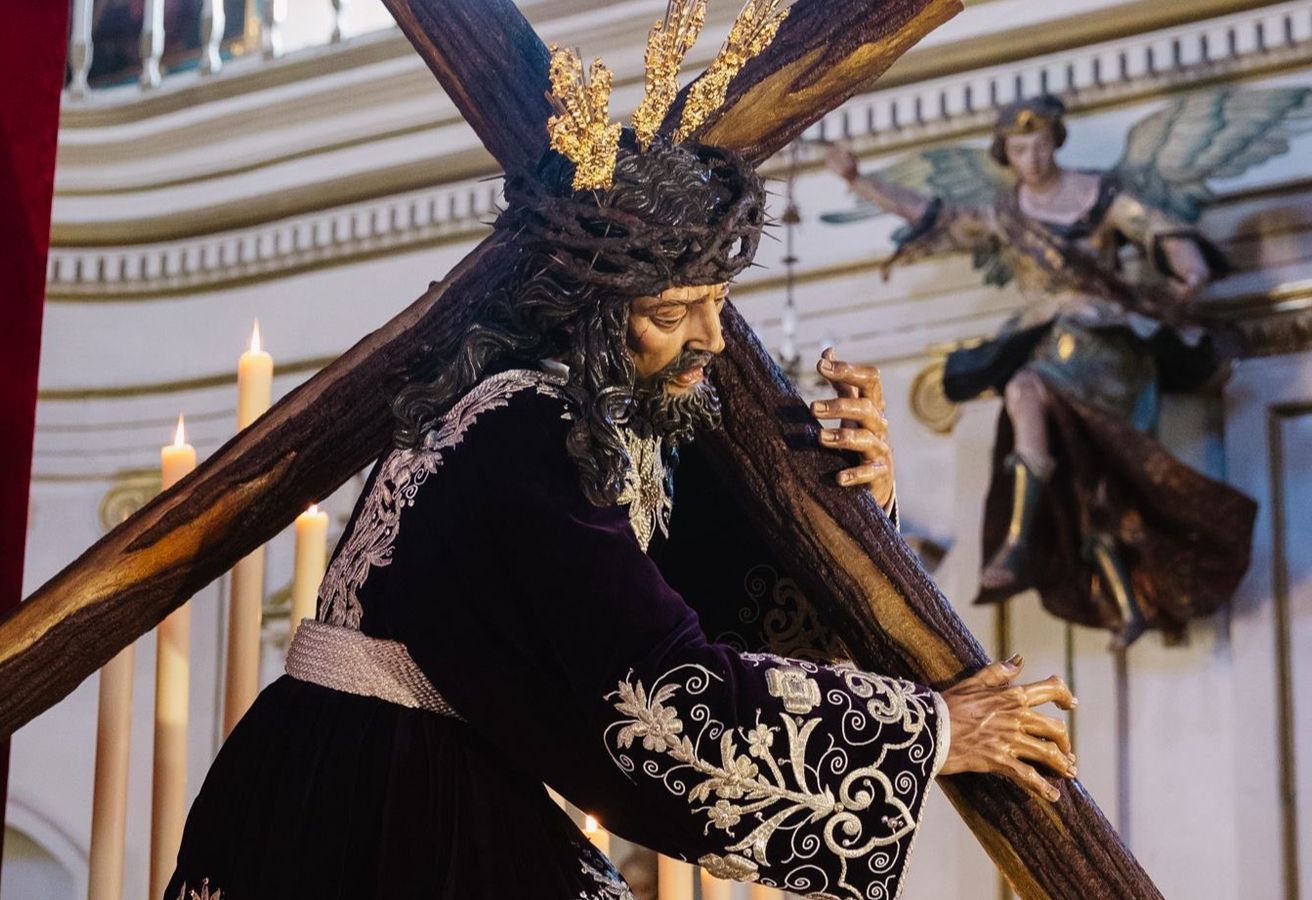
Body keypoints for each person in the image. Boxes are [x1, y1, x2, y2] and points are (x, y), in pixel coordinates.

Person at [162, 32, 1077, 897]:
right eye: (672, 313)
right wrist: (930, 734)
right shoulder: (524, 429)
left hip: (400, 773)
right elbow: (656, 686)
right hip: (377, 803)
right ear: (591, 313)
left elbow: (711, 603)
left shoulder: (597, 419)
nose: (713, 337)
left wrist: (851, 499)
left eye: (717, 300)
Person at [824, 95, 1256, 649]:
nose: (1030, 158)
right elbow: (937, 215)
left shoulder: (1099, 196)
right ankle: (1030, 544)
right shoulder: (1006, 213)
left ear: (1055, 143)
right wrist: (859, 181)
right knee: (1034, 405)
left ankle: (1071, 566)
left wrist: (1183, 270)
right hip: (1050, 349)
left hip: (1109, 351)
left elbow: (1155, 227)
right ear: (1005, 154)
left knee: (1099, 480)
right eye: (1018, 149)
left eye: (1038, 145)